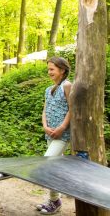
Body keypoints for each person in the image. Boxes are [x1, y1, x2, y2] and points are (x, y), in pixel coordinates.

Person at [36, 57, 72, 215]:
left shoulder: (67, 85)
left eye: (52, 69)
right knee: (56, 166)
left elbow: (72, 109)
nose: (49, 72)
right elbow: (45, 110)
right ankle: (54, 200)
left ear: (62, 70)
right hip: (50, 134)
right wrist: (45, 126)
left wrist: (62, 127)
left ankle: (55, 200)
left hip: (62, 135)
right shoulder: (48, 89)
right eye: (48, 69)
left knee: (48, 163)